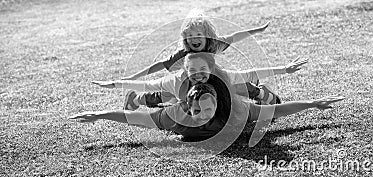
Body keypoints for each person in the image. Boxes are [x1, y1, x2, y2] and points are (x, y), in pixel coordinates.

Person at [70, 83, 345, 140]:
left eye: (210, 109)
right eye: (200, 111)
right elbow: (134, 119)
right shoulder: (175, 116)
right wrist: (99, 114)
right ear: (188, 107)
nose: (206, 115)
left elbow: (276, 110)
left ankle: (257, 88)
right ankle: (142, 96)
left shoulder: (234, 110)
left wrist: (311, 103)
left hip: (232, 91)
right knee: (165, 93)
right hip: (182, 90)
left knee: (250, 92)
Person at [120, 11, 278, 110]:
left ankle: (265, 95)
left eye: (197, 35)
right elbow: (160, 65)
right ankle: (135, 98)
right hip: (188, 83)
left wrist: (257, 30)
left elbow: (235, 36)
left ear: (207, 35)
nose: (193, 40)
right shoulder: (183, 53)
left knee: (234, 87)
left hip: (212, 79)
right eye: (189, 37)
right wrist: (133, 77)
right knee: (168, 96)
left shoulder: (214, 44)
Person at [93, 53, 308, 110]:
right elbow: (148, 84)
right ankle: (136, 101)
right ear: (185, 70)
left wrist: (284, 69)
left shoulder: (221, 76)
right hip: (180, 94)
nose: (198, 73)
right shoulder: (177, 80)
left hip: (229, 91)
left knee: (239, 89)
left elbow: (251, 72)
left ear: (211, 68)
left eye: (203, 69)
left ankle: (264, 94)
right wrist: (115, 84)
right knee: (175, 101)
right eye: (192, 70)